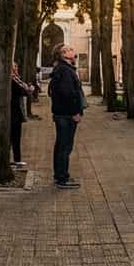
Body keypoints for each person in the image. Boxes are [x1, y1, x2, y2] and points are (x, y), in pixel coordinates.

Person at [48, 43, 85, 189]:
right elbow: (68, 94)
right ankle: (62, 178)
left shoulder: (63, 69)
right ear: (63, 54)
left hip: (62, 114)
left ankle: (60, 175)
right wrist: (75, 112)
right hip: (66, 115)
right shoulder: (65, 70)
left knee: (61, 146)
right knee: (64, 147)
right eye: (69, 49)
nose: (73, 50)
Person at [10, 63, 37, 169]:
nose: (16, 69)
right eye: (14, 67)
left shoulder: (17, 79)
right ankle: (15, 160)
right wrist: (29, 89)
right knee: (14, 136)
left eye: (16, 66)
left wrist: (28, 88)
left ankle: (17, 159)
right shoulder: (12, 81)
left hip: (17, 111)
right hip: (13, 112)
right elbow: (22, 91)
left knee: (16, 137)